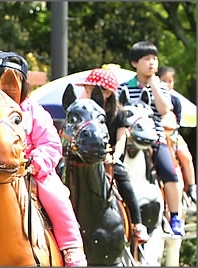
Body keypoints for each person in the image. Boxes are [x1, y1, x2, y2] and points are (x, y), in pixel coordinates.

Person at [0, 51, 88, 266]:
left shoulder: (34, 111)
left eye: (12, 83)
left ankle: (71, 246)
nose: (3, 90)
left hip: (29, 171)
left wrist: (37, 161)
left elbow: (50, 143)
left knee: (56, 196)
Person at [117, 41, 184, 236]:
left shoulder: (162, 87)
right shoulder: (124, 88)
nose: (152, 63)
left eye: (154, 58)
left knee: (169, 173)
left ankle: (175, 216)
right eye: (146, 59)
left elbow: (164, 110)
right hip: (129, 138)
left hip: (155, 137)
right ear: (134, 63)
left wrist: (155, 87)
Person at [76, 68, 150, 243]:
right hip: (83, 157)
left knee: (123, 179)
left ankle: (137, 224)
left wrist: (115, 157)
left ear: (107, 92)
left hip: (108, 158)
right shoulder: (83, 110)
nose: (86, 93)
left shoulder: (119, 114)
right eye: (86, 89)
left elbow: (122, 138)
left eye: (90, 89)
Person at [157, 66, 196, 204]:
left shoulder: (175, 100)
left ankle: (192, 186)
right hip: (157, 134)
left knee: (186, 156)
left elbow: (177, 122)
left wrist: (170, 128)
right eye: (164, 81)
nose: (167, 84)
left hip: (172, 134)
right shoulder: (153, 96)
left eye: (170, 81)